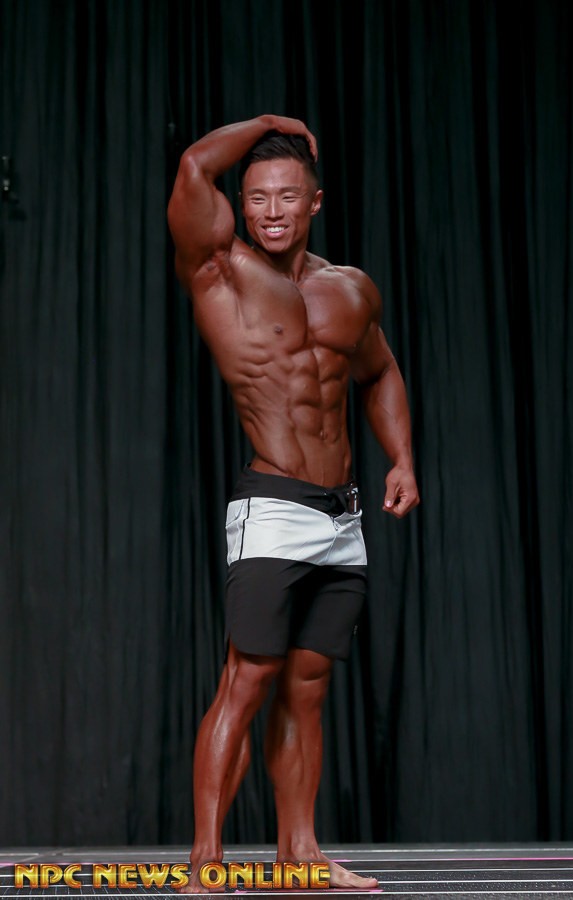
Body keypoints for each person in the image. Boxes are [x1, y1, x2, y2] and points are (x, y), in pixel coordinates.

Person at [167, 114, 419, 892]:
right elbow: (192, 168)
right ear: (240, 206)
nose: (270, 211)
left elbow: (379, 371)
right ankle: (206, 863)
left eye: (286, 196)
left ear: (314, 202)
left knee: (308, 691)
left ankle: (299, 855)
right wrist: (271, 125)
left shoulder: (350, 288)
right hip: (273, 505)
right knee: (247, 680)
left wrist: (403, 459)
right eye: (256, 198)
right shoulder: (220, 270)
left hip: (343, 516)